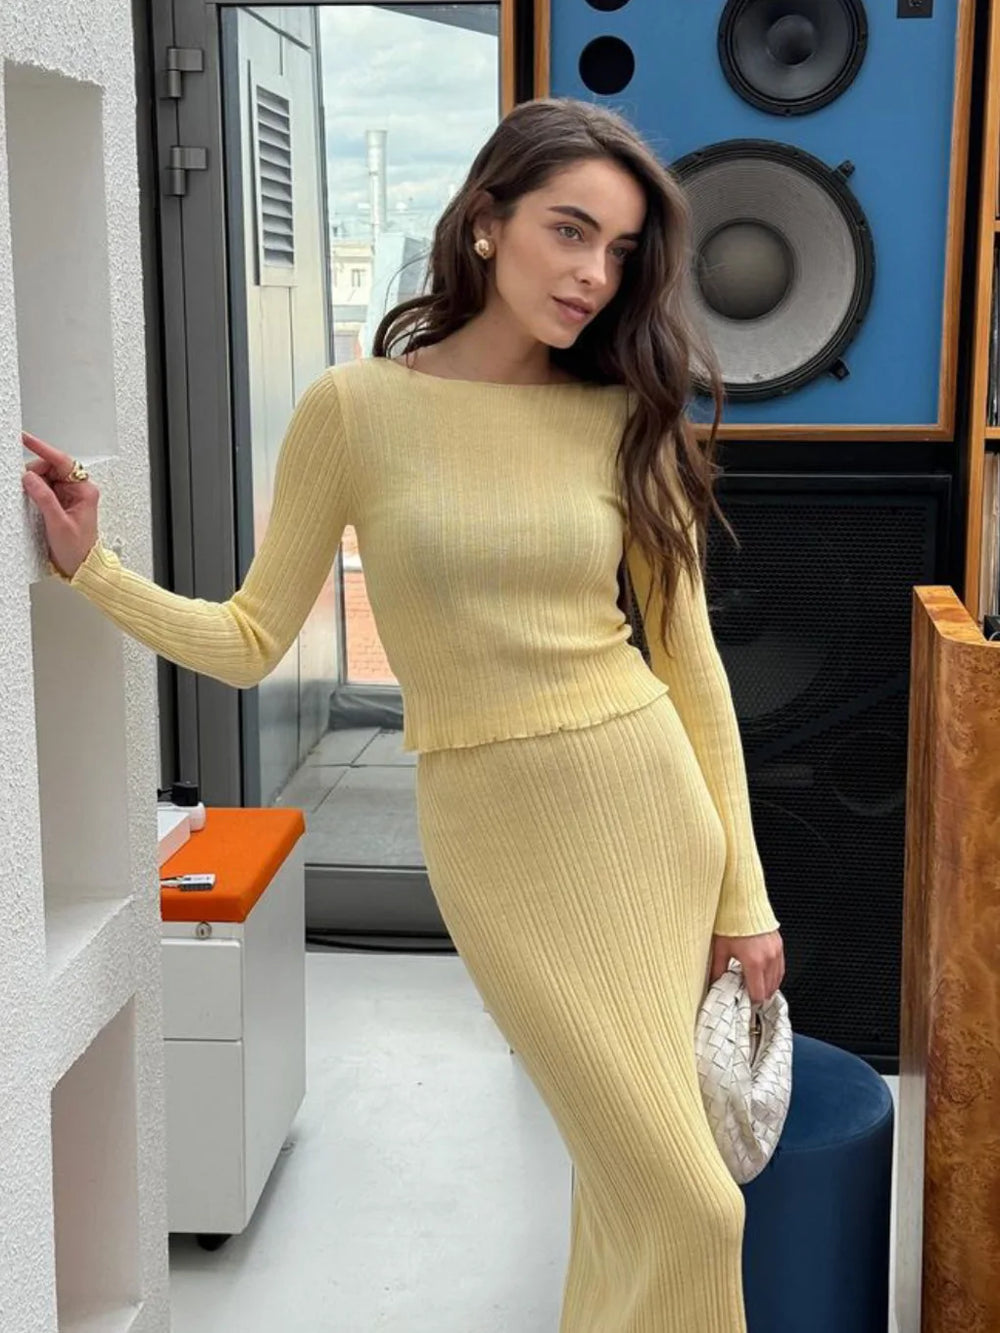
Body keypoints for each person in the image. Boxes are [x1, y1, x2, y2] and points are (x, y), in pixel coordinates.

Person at [22, 96, 784, 1332]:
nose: (594, 274)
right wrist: (93, 572)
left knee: (634, 1189)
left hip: (651, 812)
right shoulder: (354, 408)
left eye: (621, 251)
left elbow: (691, 668)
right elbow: (252, 636)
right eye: (568, 230)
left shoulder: (618, 417)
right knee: (694, 1204)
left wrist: (742, 893)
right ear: (486, 222)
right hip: (496, 834)